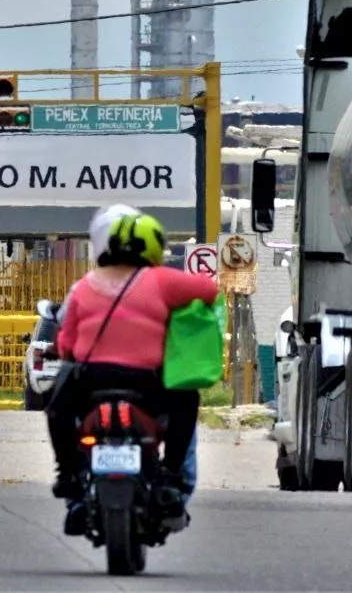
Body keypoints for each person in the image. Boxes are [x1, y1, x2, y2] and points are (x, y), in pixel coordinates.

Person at [45, 204, 218, 536]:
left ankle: (67, 475)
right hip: (147, 384)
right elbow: (209, 291)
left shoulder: (85, 285)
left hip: (90, 383)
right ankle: (170, 477)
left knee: (57, 411)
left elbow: (67, 344)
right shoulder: (162, 280)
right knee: (186, 403)